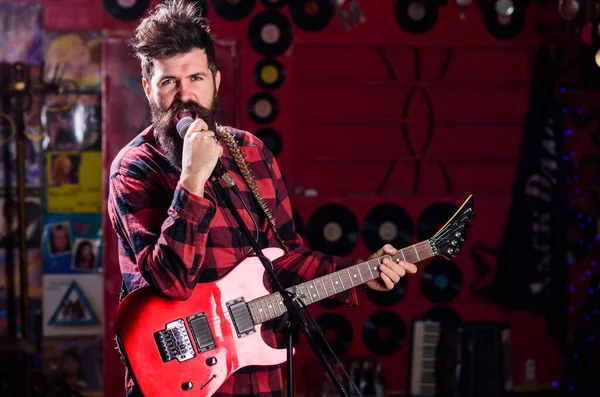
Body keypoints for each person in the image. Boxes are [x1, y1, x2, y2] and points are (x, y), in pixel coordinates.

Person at [106, 1, 418, 396]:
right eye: (170, 82)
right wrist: (192, 179)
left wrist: (361, 273)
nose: (186, 96)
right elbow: (170, 283)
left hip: (258, 381)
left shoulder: (249, 152)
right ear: (149, 88)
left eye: (197, 78)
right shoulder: (134, 168)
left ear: (216, 82)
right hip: (177, 382)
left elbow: (285, 260)